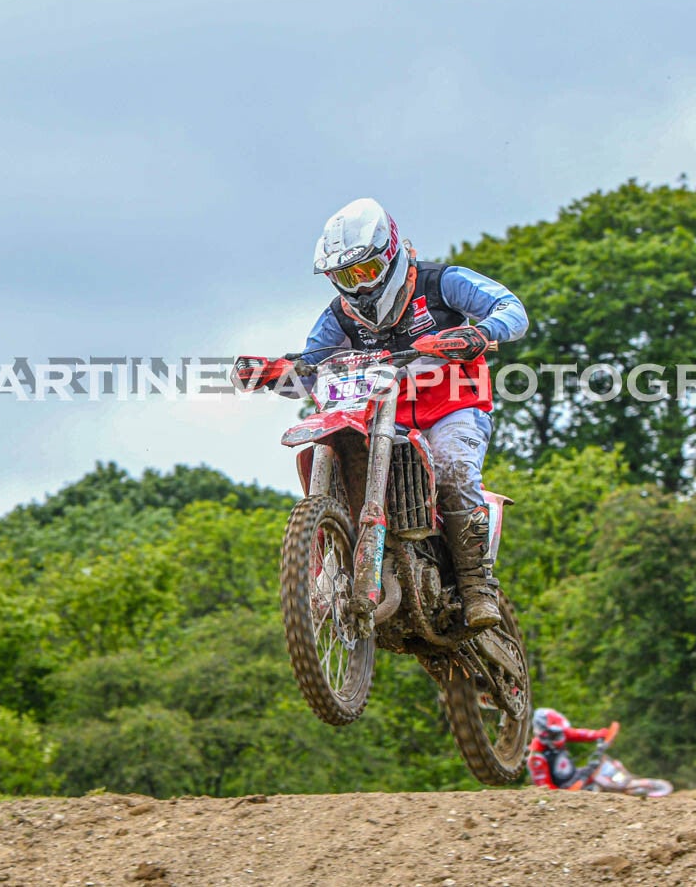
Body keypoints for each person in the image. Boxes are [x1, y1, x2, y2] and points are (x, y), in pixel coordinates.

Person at [234, 198, 528, 629]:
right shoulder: (340, 316)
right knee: (343, 456)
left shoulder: (441, 283)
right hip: (384, 418)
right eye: (345, 277)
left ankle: (475, 585)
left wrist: (479, 333)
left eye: (366, 271)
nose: (359, 287)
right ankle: (337, 565)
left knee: (452, 466)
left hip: (453, 407)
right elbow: (312, 367)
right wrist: (274, 373)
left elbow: (511, 309)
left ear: (389, 256)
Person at [528, 707, 616, 790]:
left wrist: (600, 734)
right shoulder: (536, 755)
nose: (559, 736)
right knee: (599, 779)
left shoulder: (562, 733)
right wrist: (569, 794)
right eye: (554, 734)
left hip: (575, 776)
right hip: (564, 789)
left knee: (608, 768)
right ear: (543, 733)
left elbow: (579, 734)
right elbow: (545, 788)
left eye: (559, 733)